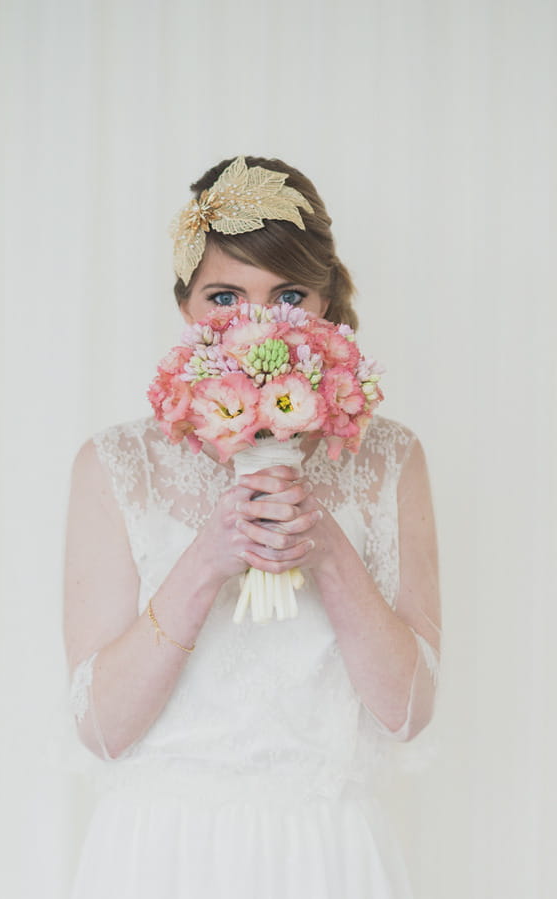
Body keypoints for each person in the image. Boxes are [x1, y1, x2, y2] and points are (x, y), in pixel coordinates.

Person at [63, 155, 440, 898]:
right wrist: (208, 556)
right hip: (159, 856)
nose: (259, 322)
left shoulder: (390, 456)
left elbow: (408, 714)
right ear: (186, 307)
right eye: (225, 295)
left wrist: (327, 548)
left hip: (326, 854)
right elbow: (102, 726)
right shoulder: (115, 463)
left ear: (329, 306)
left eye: (291, 293)